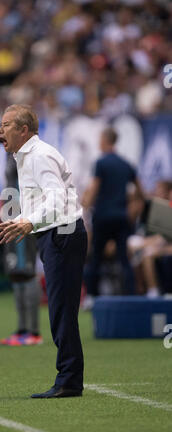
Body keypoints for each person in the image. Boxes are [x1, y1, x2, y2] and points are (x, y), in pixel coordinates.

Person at [0, 104, 87, 398]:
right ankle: (69, 378)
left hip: (63, 234)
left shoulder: (40, 156)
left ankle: (69, 381)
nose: (0, 130)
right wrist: (27, 221)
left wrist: (28, 221)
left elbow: (57, 199)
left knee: (62, 311)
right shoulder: (26, 156)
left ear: (24, 130)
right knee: (61, 310)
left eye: (7, 125)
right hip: (54, 234)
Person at [82, 127, 144, 309]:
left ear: (105, 140)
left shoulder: (101, 163)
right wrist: (133, 211)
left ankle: (92, 297)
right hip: (122, 217)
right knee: (124, 259)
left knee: (96, 258)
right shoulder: (126, 164)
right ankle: (132, 297)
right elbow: (140, 192)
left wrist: (84, 207)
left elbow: (94, 188)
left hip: (102, 216)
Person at [0, 152, 43, 346]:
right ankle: (22, 328)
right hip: (12, 217)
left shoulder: (25, 155)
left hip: (22, 219)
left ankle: (34, 332)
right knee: (16, 271)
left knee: (27, 270)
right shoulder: (11, 156)